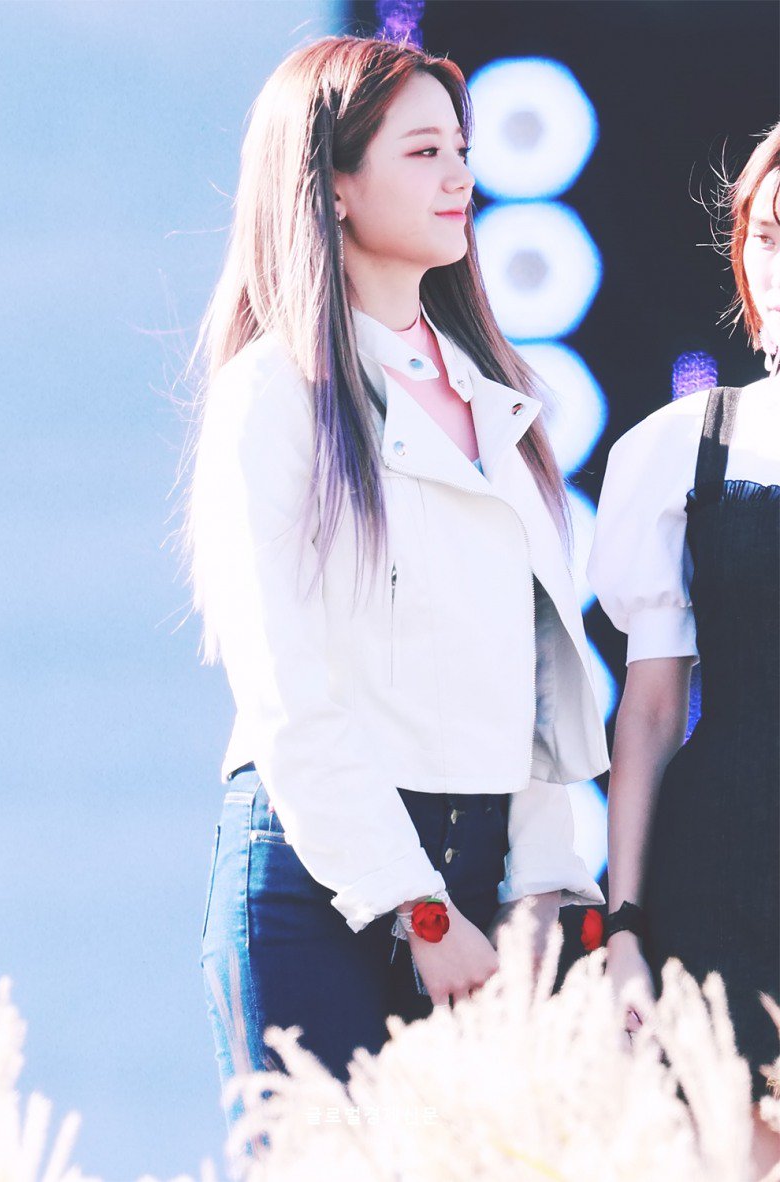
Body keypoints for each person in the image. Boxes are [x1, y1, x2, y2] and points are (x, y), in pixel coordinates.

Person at [189, 35, 608, 1129]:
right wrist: (417, 909)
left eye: (462, 150)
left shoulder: (497, 397)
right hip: (322, 884)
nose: (459, 175)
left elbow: (536, 673)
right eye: (423, 152)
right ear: (331, 183)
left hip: (478, 888)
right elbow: (285, 693)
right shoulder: (273, 394)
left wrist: (542, 888)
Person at [588, 123, 780, 1175]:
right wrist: (623, 925)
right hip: (727, 879)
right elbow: (652, 709)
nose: (778, 262)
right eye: (767, 234)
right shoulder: (688, 445)